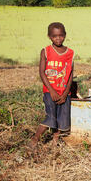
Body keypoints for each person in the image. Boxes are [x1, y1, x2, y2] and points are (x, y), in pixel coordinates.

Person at [27, 22, 74, 151]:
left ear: (65, 35)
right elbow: (42, 72)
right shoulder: (46, 51)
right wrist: (52, 91)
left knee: (62, 119)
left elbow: (70, 75)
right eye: (54, 36)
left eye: (61, 36)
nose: (58, 39)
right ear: (49, 36)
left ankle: (55, 143)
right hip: (50, 92)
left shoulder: (70, 53)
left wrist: (65, 94)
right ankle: (35, 139)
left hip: (65, 93)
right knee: (51, 117)